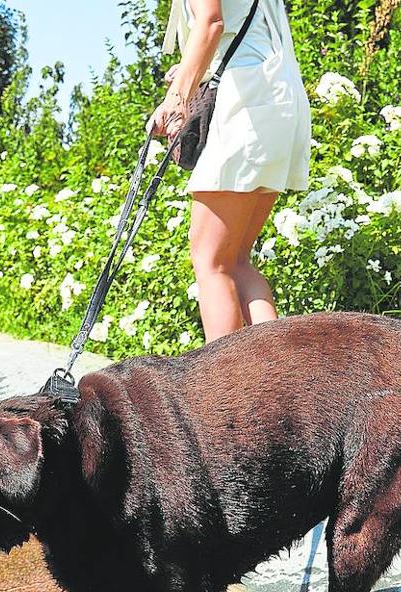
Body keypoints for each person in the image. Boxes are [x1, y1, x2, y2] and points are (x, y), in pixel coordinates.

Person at [149, 0, 311, 343]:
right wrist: (190, 70)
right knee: (235, 261)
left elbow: (211, 22)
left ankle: (224, 392)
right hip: (277, 97)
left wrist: (176, 99)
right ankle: (277, 379)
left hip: (248, 102)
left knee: (211, 261)